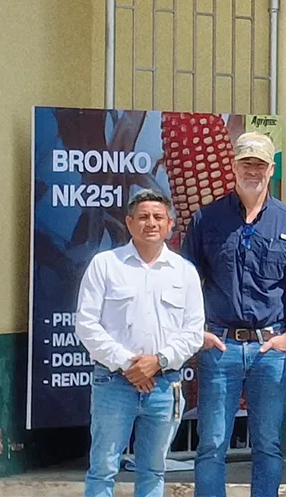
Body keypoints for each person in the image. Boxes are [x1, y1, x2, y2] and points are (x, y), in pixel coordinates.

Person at [182, 132, 286, 497]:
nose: (252, 171)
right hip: (219, 346)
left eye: (259, 164)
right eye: (245, 163)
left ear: (271, 169)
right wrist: (198, 332)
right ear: (233, 167)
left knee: (268, 443)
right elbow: (184, 281)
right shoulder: (206, 218)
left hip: (270, 348)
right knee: (212, 444)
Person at [76, 189, 205, 497]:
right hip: (113, 383)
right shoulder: (105, 265)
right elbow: (86, 324)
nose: (151, 223)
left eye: (158, 217)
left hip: (164, 385)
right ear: (129, 222)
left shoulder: (184, 272)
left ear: (170, 224)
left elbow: (193, 331)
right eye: (143, 217)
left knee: (153, 470)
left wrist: (157, 361)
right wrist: (128, 364)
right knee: (103, 467)